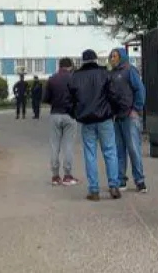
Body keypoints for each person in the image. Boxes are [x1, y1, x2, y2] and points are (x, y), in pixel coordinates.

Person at [69, 49, 121, 201]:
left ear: (83, 60)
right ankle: (114, 186)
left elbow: (71, 100)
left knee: (90, 154)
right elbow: (114, 95)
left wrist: (76, 114)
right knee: (110, 151)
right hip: (105, 118)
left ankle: (94, 190)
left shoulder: (75, 77)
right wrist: (114, 111)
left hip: (87, 120)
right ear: (96, 59)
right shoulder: (105, 74)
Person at [108, 47, 147, 193]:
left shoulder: (130, 71)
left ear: (121, 57)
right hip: (117, 117)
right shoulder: (111, 74)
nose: (112, 59)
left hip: (130, 116)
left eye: (115, 56)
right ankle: (121, 180)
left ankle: (140, 180)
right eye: (111, 56)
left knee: (133, 149)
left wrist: (136, 109)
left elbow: (140, 90)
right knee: (119, 150)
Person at [44, 58, 78, 186]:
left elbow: (45, 98)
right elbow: (78, 97)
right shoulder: (74, 79)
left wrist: (54, 101)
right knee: (68, 146)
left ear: (59, 66)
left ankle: (55, 176)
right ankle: (67, 175)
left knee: (55, 146)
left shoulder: (52, 79)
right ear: (70, 66)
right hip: (70, 115)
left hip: (55, 114)